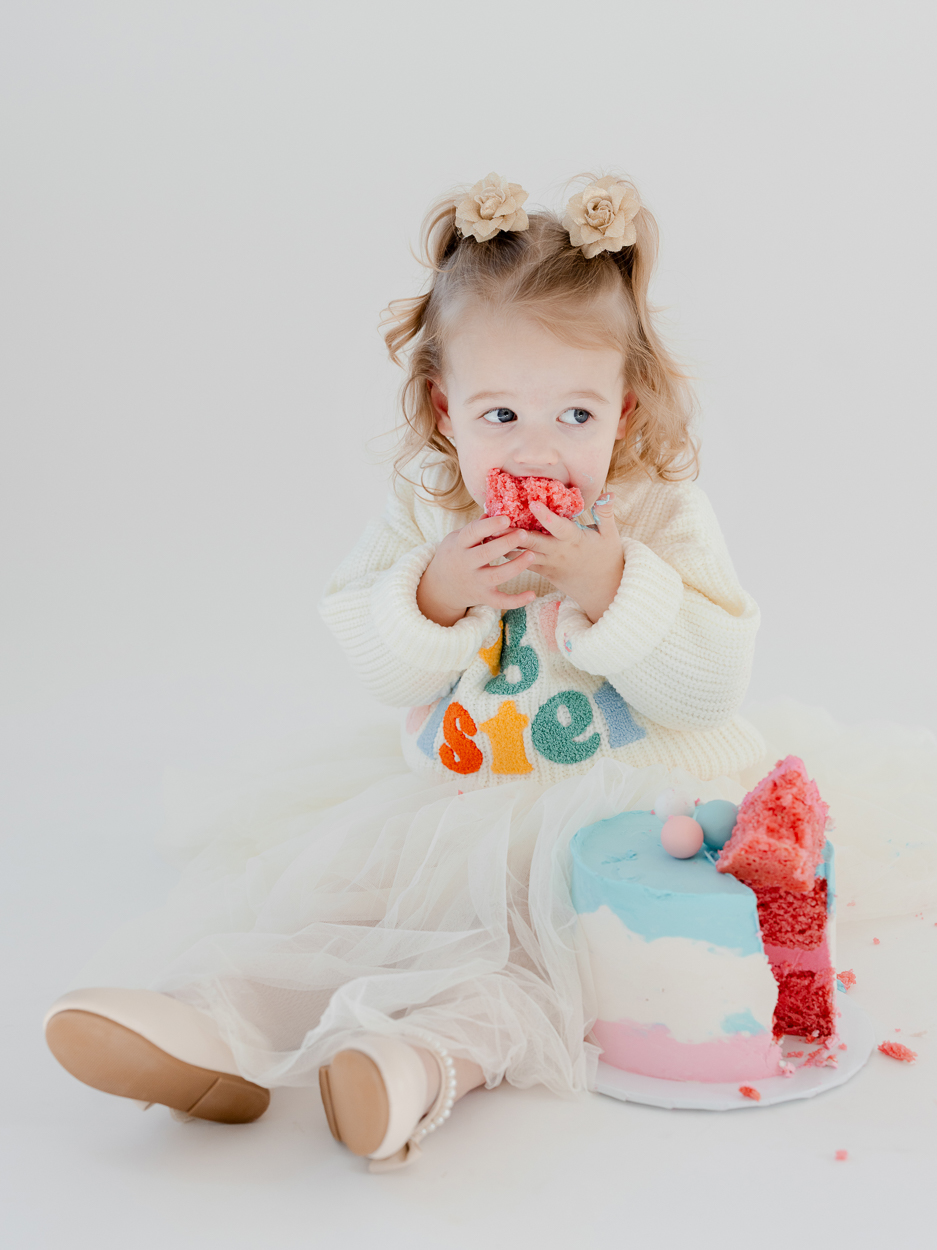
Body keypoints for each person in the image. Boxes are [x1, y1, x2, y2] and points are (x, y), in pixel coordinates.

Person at [43, 172, 937, 1171]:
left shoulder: (655, 517)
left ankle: (417, 1065)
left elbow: (708, 685)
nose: (539, 447)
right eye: (500, 415)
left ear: (624, 407)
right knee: (343, 897)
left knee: (531, 957)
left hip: (625, 812)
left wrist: (613, 586)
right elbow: (371, 656)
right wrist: (432, 592)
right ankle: (210, 1027)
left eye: (575, 415)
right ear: (444, 406)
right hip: (461, 797)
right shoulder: (430, 521)